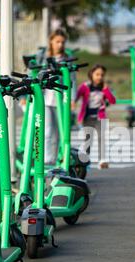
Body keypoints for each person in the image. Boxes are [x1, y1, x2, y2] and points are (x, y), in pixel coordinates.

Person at [43, 29, 76, 165]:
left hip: (61, 100)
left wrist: (72, 98)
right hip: (45, 100)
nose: (60, 45)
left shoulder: (67, 58)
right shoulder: (44, 58)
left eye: (62, 42)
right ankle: (47, 160)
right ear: (51, 41)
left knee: (60, 132)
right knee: (48, 131)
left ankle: (59, 158)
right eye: (57, 42)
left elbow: (73, 79)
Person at [75, 64, 116, 169]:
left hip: (100, 117)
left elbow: (112, 101)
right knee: (88, 139)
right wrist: (72, 102)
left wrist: (106, 89)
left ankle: (102, 160)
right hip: (87, 117)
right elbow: (76, 96)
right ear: (91, 74)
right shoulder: (85, 86)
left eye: (102, 75)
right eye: (97, 74)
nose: (100, 77)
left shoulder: (103, 88)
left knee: (101, 138)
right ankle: (85, 160)